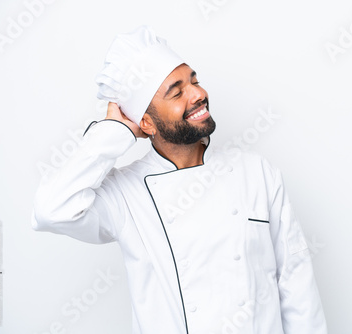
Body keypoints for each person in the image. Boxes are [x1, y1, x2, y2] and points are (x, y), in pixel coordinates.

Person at [32, 25, 328, 334]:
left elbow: (296, 281)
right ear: (146, 122)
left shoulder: (257, 173)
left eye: (195, 81)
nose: (199, 94)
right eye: (177, 92)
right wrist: (113, 133)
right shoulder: (125, 195)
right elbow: (50, 209)